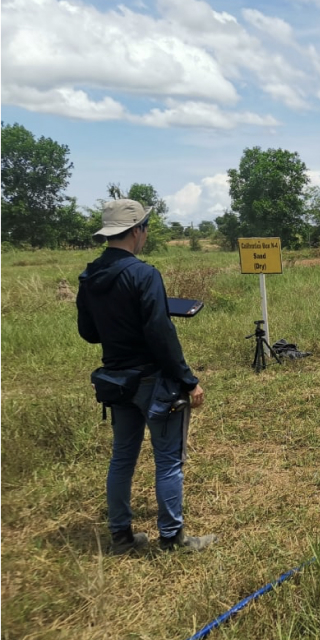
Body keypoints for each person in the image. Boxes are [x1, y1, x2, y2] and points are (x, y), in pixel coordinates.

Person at [77, 199, 215, 554]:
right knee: (168, 461)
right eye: (145, 230)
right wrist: (188, 379)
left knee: (122, 457)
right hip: (153, 381)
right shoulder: (144, 274)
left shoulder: (89, 275)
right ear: (136, 230)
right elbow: (160, 333)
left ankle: (121, 537)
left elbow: (89, 332)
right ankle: (172, 539)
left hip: (116, 382)